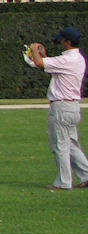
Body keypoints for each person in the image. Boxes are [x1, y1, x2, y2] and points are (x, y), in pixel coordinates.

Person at [27, 27, 88, 190]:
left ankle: (64, 182)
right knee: (71, 144)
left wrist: (33, 48)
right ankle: (86, 175)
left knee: (60, 145)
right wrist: (43, 55)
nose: (60, 42)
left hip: (61, 106)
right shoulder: (78, 59)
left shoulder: (67, 59)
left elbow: (40, 63)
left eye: (62, 40)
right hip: (72, 106)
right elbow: (52, 66)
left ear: (68, 42)